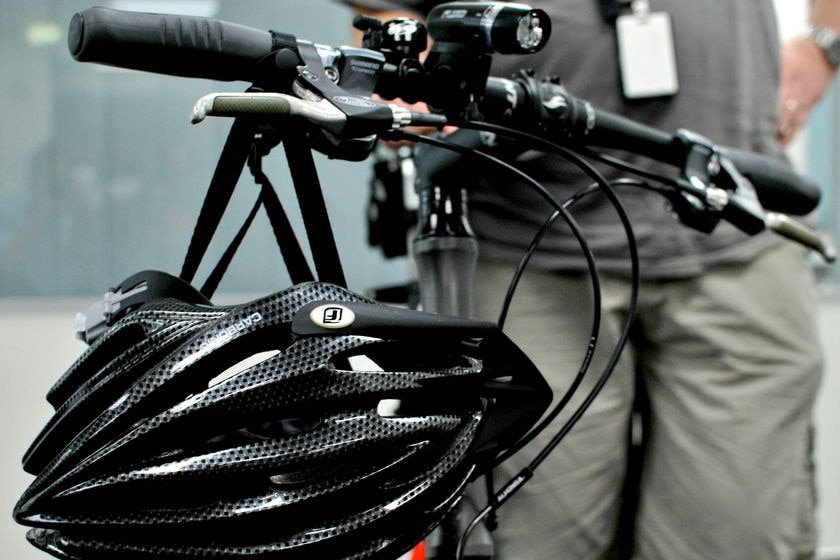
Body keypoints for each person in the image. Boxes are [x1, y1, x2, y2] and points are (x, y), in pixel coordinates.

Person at [342, 1, 838, 559]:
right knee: (530, 540)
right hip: (523, 240)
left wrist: (825, 39)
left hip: (731, 223)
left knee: (739, 536)